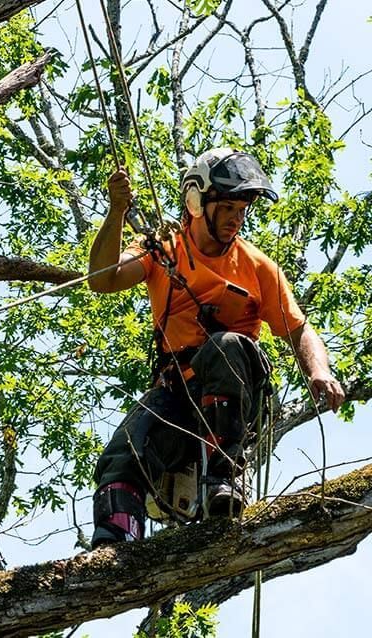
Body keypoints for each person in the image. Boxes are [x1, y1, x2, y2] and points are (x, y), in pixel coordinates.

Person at [88, 147, 345, 548]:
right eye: (227, 207)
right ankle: (115, 542)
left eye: (242, 208)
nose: (236, 218)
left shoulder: (258, 267)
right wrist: (117, 212)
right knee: (124, 453)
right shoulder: (163, 248)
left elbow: (299, 331)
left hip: (234, 399)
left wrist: (319, 371)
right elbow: (103, 279)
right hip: (178, 395)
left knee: (223, 346)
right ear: (196, 202)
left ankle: (224, 478)